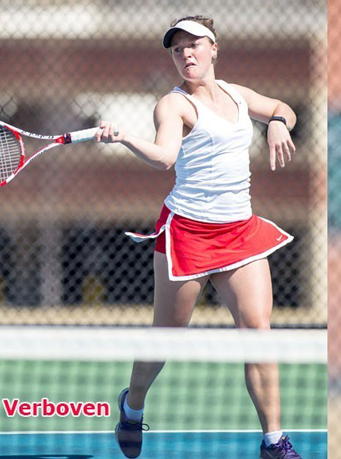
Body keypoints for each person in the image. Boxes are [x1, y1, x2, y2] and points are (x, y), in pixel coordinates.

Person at [99, 16, 301, 459]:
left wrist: (279, 122)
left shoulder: (237, 94)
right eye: (177, 49)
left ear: (214, 49)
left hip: (240, 232)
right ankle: (132, 408)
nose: (186, 54)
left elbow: (283, 106)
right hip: (188, 234)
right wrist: (126, 137)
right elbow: (165, 157)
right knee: (166, 336)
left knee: (258, 333)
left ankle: (274, 442)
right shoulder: (172, 107)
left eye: (194, 45)